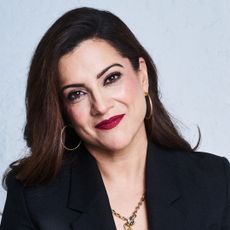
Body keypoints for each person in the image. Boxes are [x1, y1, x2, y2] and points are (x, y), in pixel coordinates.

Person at [0, 7, 229, 230]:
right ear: (62, 110)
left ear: (142, 76)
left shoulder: (215, 181)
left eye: (111, 78)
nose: (100, 105)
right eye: (77, 94)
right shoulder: (33, 201)